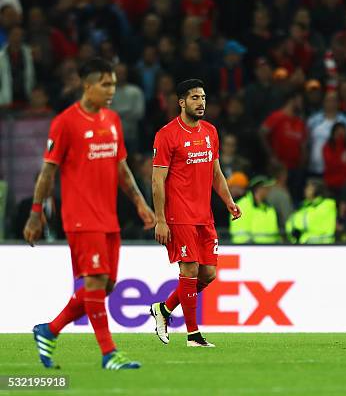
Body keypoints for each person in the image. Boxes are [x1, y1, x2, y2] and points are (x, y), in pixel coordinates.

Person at [24, 58, 155, 370]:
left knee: (106, 286)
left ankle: (49, 330)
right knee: (95, 282)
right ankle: (109, 354)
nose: (111, 91)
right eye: (105, 84)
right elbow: (47, 172)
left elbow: (121, 166)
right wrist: (34, 212)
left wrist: (139, 201)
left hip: (108, 215)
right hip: (81, 216)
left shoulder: (112, 119)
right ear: (87, 85)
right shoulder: (66, 122)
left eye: (113, 84)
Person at [149, 79, 241, 348]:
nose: (201, 103)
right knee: (189, 269)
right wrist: (160, 220)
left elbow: (216, 172)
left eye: (203, 98)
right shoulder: (166, 135)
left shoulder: (211, 132)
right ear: (181, 103)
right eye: (194, 98)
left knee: (208, 274)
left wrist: (228, 201)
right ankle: (193, 335)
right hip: (179, 215)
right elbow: (157, 181)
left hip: (204, 214)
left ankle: (164, 310)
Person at [229, 176, 280, 244]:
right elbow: (239, 234)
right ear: (258, 189)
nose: (269, 191)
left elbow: (275, 233)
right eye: (266, 188)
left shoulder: (269, 209)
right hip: (249, 249)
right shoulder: (242, 205)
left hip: (270, 249)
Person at [286, 178, 336, 244]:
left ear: (317, 191)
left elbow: (311, 222)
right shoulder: (304, 205)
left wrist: (297, 227)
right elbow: (290, 223)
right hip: (303, 244)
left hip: (321, 247)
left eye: (309, 189)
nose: (305, 191)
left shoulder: (327, 205)